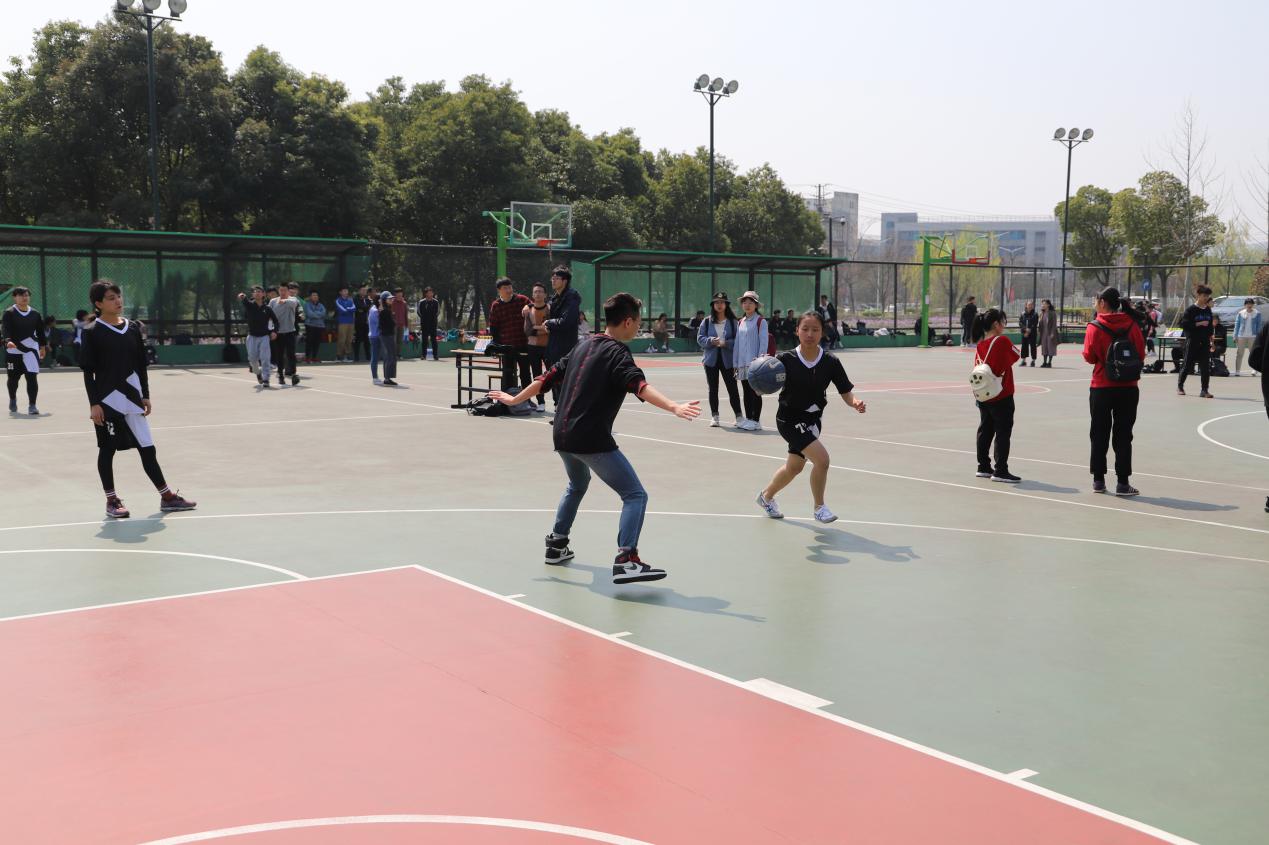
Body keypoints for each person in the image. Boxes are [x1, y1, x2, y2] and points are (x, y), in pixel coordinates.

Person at [487, 292, 700, 584]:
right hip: (589, 437)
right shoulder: (618, 353)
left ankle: (557, 544)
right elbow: (639, 385)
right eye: (638, 321)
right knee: (635, 495)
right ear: (628, 322)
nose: (639, 326)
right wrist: (674, 406)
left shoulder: (583, 345)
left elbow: (545, 378)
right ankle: (627, 559)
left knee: (577, 484)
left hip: (562, 433)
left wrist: (514, 400)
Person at [81, 280, 195, 519]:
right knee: (107, 450)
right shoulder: (92, 331)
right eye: (111, 298)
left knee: (147, 447)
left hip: (132, 398)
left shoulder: (132, 327)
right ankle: (111, 500)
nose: (118, 301)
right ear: (98, 304)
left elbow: (141, 366)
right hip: (108, 400)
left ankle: (167, 498)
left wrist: (145, 395)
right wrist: (94, 404)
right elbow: (88, 372)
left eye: (118, 296)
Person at [755, 310, 866, 524]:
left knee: (794, 467)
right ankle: (819, 508)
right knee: (822, 460)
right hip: (789, 419)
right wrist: (757, 383)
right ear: (797, 330)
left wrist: (855, 402)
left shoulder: (830, 361)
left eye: (815, 330)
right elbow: (764, 381)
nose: (809, 334)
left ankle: (766, 497)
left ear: (822, 332)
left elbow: (845, 391)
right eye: (805, 329)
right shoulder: (784, 360)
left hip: (813, 420)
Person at [1083, 287, 1146, 497]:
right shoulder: (1132, 324)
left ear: (1102, 302)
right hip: (1128, 387)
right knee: (1124, 435)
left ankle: (1098, 480)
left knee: (1098, 433)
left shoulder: (1094, 326)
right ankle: (1123, 482)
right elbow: (1140, 354)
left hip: (1101, 386)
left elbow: (1089, 357)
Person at [970, 308, 1021, 483]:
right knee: (1003, 431)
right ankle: (1001, 469)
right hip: (1001, 393)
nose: (1004, 326)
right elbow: (1016, 354)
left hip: (984, 393)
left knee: (985, 429)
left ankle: (983, 466)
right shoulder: (1002, 341)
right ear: (996, 324)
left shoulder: (980, 345)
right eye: (1003, 322)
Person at [697, 292, 742, 428]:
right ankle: (715, 416)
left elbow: (738, 341)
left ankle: (739, 417)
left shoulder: (733, 322)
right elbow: (700, 338)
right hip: (711, 361)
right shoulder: (706, 321)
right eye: (716, 302)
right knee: (713, 389)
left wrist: (726, 343)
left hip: (728, 361)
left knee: (732, 388)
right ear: (713, 305)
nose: (719, 305)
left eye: (722, 302)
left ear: (726, 305)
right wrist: (711, 341)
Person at [3, 286, 46, 415]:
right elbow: (6, 329)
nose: (24, 297)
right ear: (14, 297)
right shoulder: (9, 313)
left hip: (31, 349)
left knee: (32, 377)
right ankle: (12, 399)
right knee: (13, 379)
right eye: (21, 295)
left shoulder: (35, 314)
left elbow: (40, 332)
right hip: (13, 349)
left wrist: (42, 347)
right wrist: (7, 341)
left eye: (26, 295)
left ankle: (32, 405)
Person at [544, 266, 581, 408]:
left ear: (565, 281)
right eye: (552, 278)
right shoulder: (555, 298)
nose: (553, 280)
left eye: (556, 278)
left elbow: (567, 321)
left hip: (566, 347)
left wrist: (549, 322)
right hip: (554, 346)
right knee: (554, 378)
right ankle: (558, 409)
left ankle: (566, 411)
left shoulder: (572, 296)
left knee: (566, 381)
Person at [488, 277, 531, 393]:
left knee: (525, 373)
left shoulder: (522, 300)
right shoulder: (496, 305)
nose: (508, 290)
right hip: (506, 347)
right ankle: (508, 398)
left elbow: (534, 307)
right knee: (508, 373)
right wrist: (498, 345)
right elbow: (493, 327)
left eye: (510, 287)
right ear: (499, 290)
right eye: (505, 288)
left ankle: (527, 399)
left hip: (523, 344)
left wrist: (529, 306)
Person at [734, 291, 769, 431]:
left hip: (755, 364)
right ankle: (748, 419)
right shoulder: (740, 322)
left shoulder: (761, 321)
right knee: (746, 392)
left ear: (756, 305)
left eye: (750, 302)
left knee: (755, 392)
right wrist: (735, 363)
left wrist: (760, 361)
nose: (747, 305)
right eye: (744, 302)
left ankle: (756, 420)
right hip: (742, 364)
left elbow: (764, 343)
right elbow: (737, 344)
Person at [1178, 285, 1215, 398]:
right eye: (1204, 295)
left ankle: (1204, 390)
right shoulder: (1190, 310)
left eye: (1207, 296)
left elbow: (1210, 327)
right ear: (1198, 295)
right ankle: (1180, 386)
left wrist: (1212, 340)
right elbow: (1183, 324)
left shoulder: (1208, 310)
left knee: (1205, 366)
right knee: (1187, 364)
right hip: (1193, 341)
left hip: (1205, 342)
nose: (1206, 298)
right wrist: (1198, 323)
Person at [237, 287, 277, 388]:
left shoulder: (267, 309)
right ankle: (258, 373)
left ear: (263, 294)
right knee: (252, 359)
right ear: (253, 295)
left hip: (264, 337)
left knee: (265, 358)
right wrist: (242, 296)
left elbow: (276, 321)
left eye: (259, 292)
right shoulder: (250, 305)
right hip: (252, 337)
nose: (257, 293)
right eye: (255, 292)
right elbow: (245, 301)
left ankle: (266, 379)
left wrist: (274, 331)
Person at [522, 282, 550, 412]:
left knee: (553, 374)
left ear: (545, 294)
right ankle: (541, 402)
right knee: (537, 375)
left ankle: (557, 403)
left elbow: (551, 328)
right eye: (535, 292)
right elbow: (528, 331)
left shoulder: (550, 309)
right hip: (532, 347)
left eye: (540, 291)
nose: (538, 294)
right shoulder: (528, 310)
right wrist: (542, 328)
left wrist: (537, 328)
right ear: (532, 295)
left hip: (548, 347)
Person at [268, 284, 301, 386]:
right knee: (280, 355)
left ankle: (294, 374)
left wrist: (285, 301)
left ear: (288, 291)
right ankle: (281, 375)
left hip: (290, 332)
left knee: (291, 354)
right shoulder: (273, 301)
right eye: (281, 290)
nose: (282, 292)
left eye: (284, 290)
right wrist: (271, 330)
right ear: (278, 291)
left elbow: (294, 303)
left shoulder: (293, 299)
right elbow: (268, 314)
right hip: (278, 333)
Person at [1234, 298, 1262, 376]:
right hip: (1241, 336)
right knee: (1239, 353)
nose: (1249, 305)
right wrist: (1235, 336)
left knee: (1253, 353)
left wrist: (1259, 337)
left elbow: (1259, 326)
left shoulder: (1257, 313)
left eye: (1251, 303)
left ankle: (1254, 370)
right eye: (1247, 304)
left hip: (1253, 336)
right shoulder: (1240, 313)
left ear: (1253, 305)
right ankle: (1237, 371)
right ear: (1245, 305)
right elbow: (1237, 325)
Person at [376, 291, 398, 386]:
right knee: (390, 356)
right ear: (384, 300)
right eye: (389, 299)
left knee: (390, 356)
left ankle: (388, 378)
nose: (391, 300)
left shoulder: (387, 309)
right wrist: (394, 322)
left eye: (391, 298)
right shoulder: (385, 311)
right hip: (386, 335)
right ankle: (387, 378)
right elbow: (391, 323)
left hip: (388, 335)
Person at [302, 291, 327, 364]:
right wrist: (318, 314)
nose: (315, 296)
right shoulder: (307, 304)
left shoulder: (321, 305)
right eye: (313, 295)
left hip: (320, 326)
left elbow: (324, 313)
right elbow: (310, 314)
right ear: (310, 297)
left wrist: (315, 314)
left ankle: (314, 358)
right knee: (309, 342)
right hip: (310, 325)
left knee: (317, 342)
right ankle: (307, 358)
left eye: (316, 295)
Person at [417, 286, 440, 361]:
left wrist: (433, 318)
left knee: (434, 340)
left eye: (431, 293)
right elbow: (418, 312)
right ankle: (423, 355)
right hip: (424, 324)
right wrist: (424, 318)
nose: (430, 294)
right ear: (426, 294)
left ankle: (435, 355)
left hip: (433, 324)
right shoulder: (421, 302)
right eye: (429, 293)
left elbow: (438, 312)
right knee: (424, 340)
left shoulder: (436, 302)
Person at [334, 286, 356, 362]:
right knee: (342, 339)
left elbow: (354, 308)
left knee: (349, 339)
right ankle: (338, 356)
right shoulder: (338, 300)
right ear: (340, 292)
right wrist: (349, 309)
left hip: (351, 322)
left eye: (346, 291)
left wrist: (348, 309)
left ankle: (346, 356)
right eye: (344, 291)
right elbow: (342, 310)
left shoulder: (351, 300)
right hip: (342, 322)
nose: (346, 292)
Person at [353, 284, 372, 362]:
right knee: (358, 340)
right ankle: (356, 357)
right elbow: (358, 307)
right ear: (359, 291)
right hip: (358, 322)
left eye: (365, 290)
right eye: (363, 290)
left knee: (367, 340)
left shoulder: (368, 299)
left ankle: (368, 356)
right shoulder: (355, 299)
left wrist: (363, 309)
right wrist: (364, 309)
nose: (364, 292)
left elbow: (369, 308)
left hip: (367, 322)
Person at [1037, 299, 1058, 367]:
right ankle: (1044, 362)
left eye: (1044, 304)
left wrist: (1052, 333)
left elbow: (1054, 324)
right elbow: (1040, 324)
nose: (1043, 305)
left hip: (1050, 333)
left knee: (1051, 348)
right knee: (1044, 348)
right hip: (1043, 334)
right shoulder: (1042, 313)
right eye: (1042, 304)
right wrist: (1039, 331)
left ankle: (1049, 362)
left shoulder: (1052, 313)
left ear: (1048, 305)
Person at [367, 292, 382, 385]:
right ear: (379, 300)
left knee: (378, 357)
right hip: (375, 336)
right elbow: (380, 322)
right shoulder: (374, 310)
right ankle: (375, 378)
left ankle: (378, 377)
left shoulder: (377, 309)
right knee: (375, 357)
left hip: (378, 336)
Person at [1018, 301, 1039, 366]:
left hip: (1032, 333)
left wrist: (1029, 330)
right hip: (1024, 333)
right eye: (1029, 305)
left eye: (1031, 305)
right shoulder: (1022, 313)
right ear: (1026, 305)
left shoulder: (1035, 314)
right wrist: (1025, 329)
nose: (1030, 306)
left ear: (1033, 306)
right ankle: (1024, 361)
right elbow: (1020, 323)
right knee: (1024, 346)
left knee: (1033, 346)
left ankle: (1033, 361)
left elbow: (1035, 323)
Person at [391, 287, 410, 358]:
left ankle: (398, 354)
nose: (399, 295)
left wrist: (406, 324)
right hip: (393, 325)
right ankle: (393, 354)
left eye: (401, 293)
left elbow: (405, 314)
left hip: (401, 324)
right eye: (398, 293)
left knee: (400, 340)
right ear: (395, 294)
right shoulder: (392, 303)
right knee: (394, 340)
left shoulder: (404, 303)